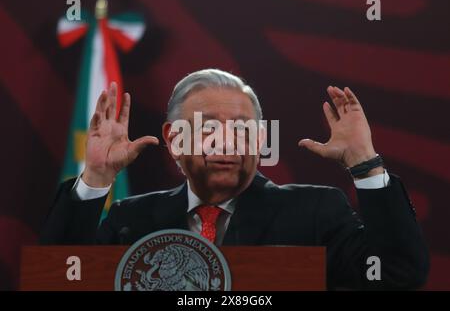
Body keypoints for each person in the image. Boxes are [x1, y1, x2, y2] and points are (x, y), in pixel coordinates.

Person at [41, 69, 429, 290]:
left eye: (242, 129)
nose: (225, 142)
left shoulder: (316, 212)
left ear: (260, 140)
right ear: (174, 139)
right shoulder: (131, 220)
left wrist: (365, 164)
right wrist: (96, 177)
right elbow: (58, 279)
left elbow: (398, 276)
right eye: (206, 128)